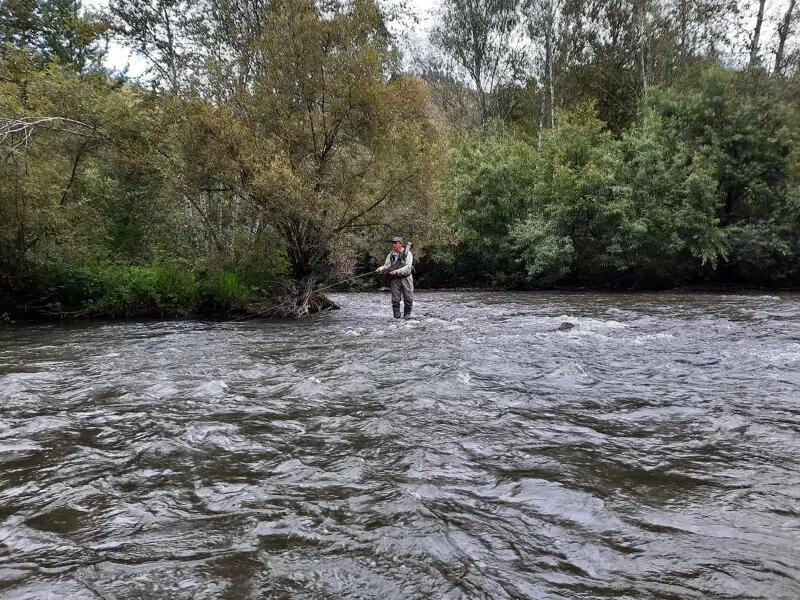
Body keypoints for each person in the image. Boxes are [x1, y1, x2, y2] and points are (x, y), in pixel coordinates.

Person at [376, 236, 414, 318]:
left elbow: (408, 267)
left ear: (401, 244)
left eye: (396, 243)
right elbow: (387, 265)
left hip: (406, 278)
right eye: (393, 243)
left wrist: (397, 271)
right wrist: (381, 269)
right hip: (395, 279)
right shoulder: (391, 255)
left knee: (408, 298)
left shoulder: (408, 254)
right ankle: (396, 317)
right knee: (395, 299)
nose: (394, 245)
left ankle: (407, 316)